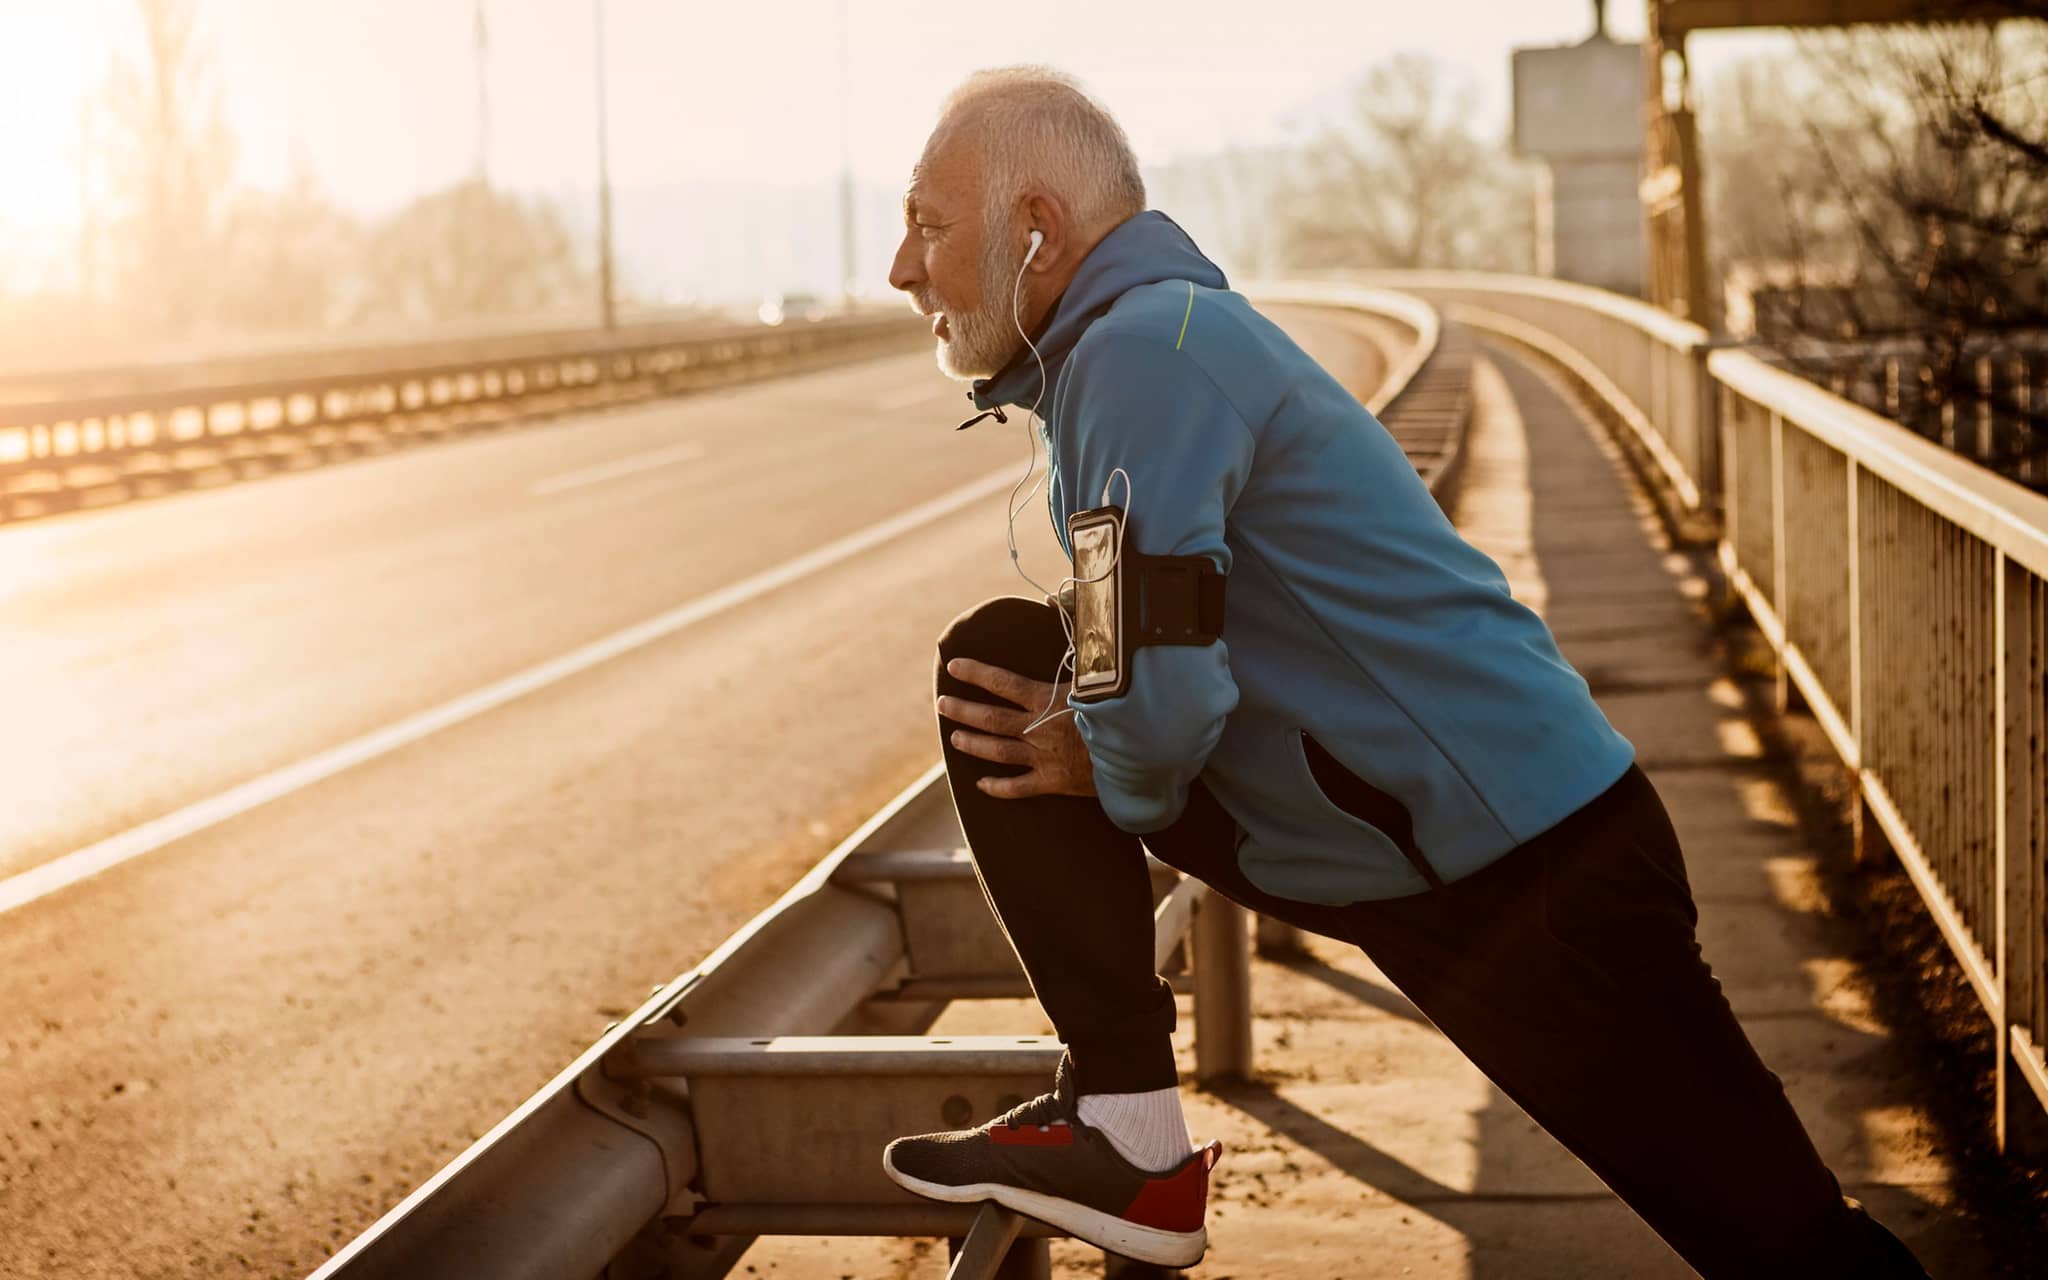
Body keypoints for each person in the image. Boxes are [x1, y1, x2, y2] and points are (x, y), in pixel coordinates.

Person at [878, 65, 1929, 1277]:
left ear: (1035, 230)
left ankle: (1127, 1134)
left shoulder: (1140, 356)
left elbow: (1154, 709)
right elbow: (1151, 648)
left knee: (1785, 1244)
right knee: (1002, 662)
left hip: (1531, 872)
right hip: (1424, 851)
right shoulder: (1135, 347)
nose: (903, 269)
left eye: (928, 225)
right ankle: (1122, 1125)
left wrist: (1090, 756)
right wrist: (1102, 739)